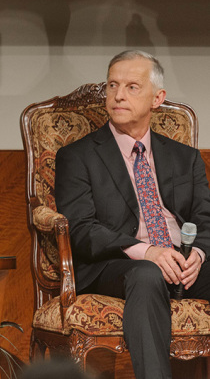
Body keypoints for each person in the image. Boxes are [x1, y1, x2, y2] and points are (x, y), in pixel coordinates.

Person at [54, 49, 210, 379]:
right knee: (146, 273)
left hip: (181, 263)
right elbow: (81, 229)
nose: (118, 95)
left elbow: (204, 218)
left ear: (158, 98)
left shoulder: (185, 158)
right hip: (115, 266)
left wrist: (197, 253)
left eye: (131, 86)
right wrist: (147, 253)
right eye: (112, 85)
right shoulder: (78, 156)